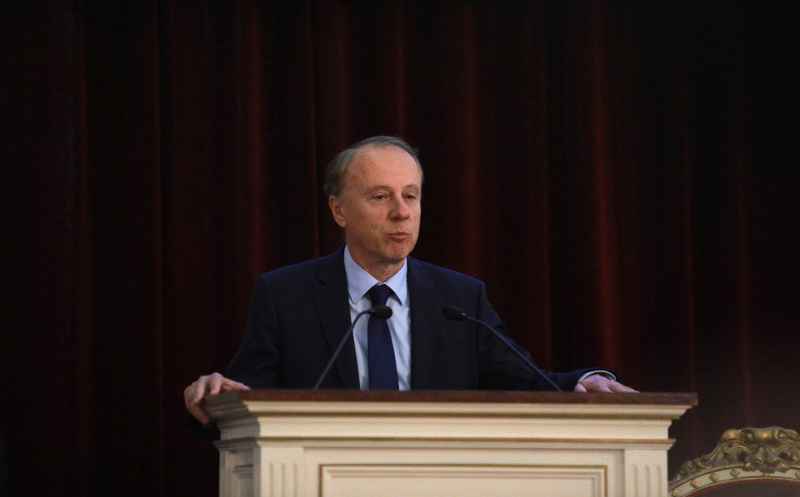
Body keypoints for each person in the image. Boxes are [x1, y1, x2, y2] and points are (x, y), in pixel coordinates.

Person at [184, 136, 635, 428]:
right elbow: (241, 405)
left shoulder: (460, 298)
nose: (401, 212)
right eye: (381, 197)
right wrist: (213, 397)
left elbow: (528, 384)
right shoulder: (286, 295)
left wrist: (583, 382)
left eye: (411, 196)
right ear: (339, 210)